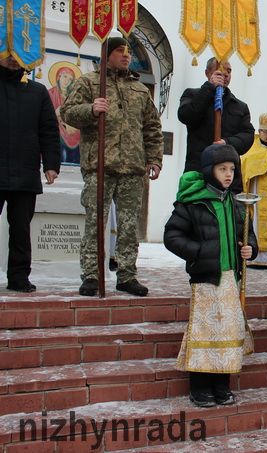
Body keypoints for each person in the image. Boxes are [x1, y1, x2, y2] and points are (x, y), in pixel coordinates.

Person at [61, 37, 163, 297]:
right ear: (107, 54)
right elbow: (68, 112)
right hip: (100, 164)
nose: (126, 56)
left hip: (132, 166)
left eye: (128, 51)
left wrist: (154, 158)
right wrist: (91, 109)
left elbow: (152, 126)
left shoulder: (139, 89)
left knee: (129, 225)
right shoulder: (91, 82)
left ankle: (127, 275)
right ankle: (91, 275)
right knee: (96, 222)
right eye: (120, 51)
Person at [164, 144, 258, 407]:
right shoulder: (194, 201)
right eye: (222, 169)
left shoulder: (237, 203)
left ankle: (222, 384)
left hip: (231, 279)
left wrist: (251, 249)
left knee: (228, 332)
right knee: (206, 332)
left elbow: (247, 235)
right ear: (209, 170)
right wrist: (201, 251)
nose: (228, 174)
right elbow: (171, 237)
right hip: (206, 279)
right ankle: (200, 386)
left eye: (231, 169)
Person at [0, 54, 61, 293]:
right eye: (8, 54)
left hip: (24, 169)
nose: (13, 60)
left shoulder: (37, 91)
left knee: (21, 229)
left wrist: (51, 164)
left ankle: (18, 277)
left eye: (18, 55)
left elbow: (48, 129)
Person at [178, 57, 255, 180]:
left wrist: (226, 143)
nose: (225, 74)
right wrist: (209, 87)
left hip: (229, 176)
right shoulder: (192, 95)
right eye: (220, 70)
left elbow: (247, 136)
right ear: (208, 73)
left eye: (229, 71)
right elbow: (186, 116)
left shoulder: (240, 106)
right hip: (199, 171)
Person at [240, 113, 267, 267]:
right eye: (266, 131)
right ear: (260, 131)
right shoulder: (252, 148)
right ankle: (258, 257)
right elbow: (246, 163)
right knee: (258, 221)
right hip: (259, 192)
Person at [47, 64, 81, 164]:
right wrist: (56, 112)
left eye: (70, 78)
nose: (67, 81)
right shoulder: (50, 94)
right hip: (58, 130)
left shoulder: (73, 95)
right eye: (65, 76)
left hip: (73, 130)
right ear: (58, 76)